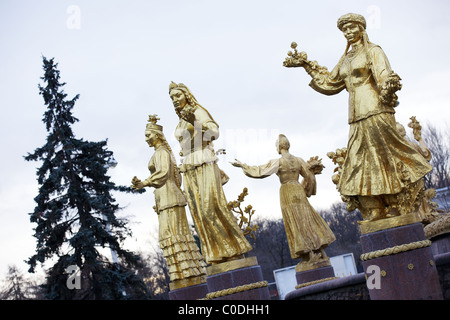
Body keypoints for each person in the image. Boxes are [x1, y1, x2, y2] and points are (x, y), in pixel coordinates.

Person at [283, 13, 432, 222]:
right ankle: (375, 207)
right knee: (360, 160)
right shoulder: (346, 58)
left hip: (376, 110)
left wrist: (389, 86)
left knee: (385, 157)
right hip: (356, 115)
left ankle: (397, 204)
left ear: (361, 28)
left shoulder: (373, 51)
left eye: (352, 27)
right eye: (344, 30)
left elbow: (383, 75)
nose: (348, 32)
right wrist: (306, 66)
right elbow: (330, 83)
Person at [169, 82, 252, 265]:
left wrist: (195, 123)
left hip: (204, 161)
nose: (175, 100)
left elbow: (214, 133)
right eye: (172, 98)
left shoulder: (197, 111)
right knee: (198, 213)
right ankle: (216, 255)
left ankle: (234, 250)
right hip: (189, 166)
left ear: (187, 95)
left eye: (177, 96)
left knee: (210, 208)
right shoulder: (181, 119)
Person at [231, 134, 336, 271]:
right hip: (298, 189)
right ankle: (320, 251)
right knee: (307, 218)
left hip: (287, 190)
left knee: (296, 222)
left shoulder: (278, 162)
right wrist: (305, 190)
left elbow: (261, 171)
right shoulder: (299, 160)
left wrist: (243, 166)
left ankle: (308, 255)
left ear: (279, 147)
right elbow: (310, 177)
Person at [131, 115, 206, 287]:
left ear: (157, 135)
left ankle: (188, 274)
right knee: (172, 235)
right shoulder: (162, 153)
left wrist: (145, 182)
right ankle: (184, 273)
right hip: (166, 198)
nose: (146, 139)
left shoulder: (162, 153)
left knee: (171, 234)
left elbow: (164, 173)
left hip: (169, 198)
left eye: (148, 135)